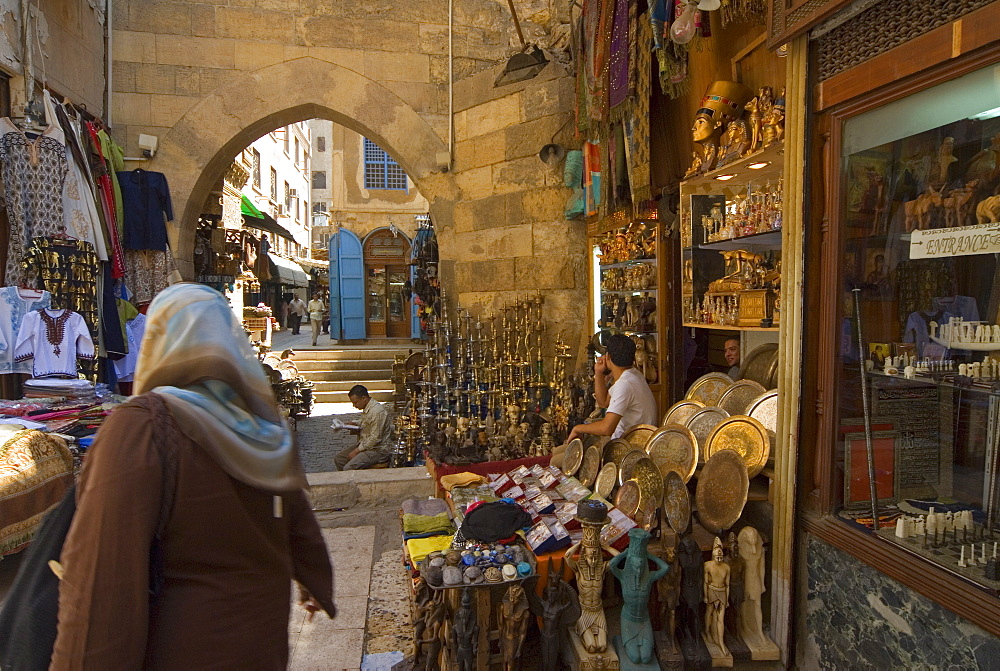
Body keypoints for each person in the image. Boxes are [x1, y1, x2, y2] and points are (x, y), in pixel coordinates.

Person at [50, 283, 335, 670]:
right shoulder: (264, 427)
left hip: (184, 647)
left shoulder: (142, 427)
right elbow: (297, 516)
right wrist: (315, 579)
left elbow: (102, 583)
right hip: (261, 641)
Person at [568, 334, 657, 442]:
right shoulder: (632, 374)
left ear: (608, 356)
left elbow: (606, 428)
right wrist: (599, 372)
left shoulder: (625, 384)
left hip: (627, 447)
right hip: (629, 441)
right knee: (561, 452)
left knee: (557, 457)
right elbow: (603, 402)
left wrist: (578, 428)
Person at [335, 385, 392, 470]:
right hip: (365, 444)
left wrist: (356, 451)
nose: (354, 405)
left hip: (378, 450)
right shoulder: (368, 408)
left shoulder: (377, 412)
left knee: (348, 468)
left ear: (364, 398)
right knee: (339, 459)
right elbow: (366, 423)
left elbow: (375, 438)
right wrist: (353, 424)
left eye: (355, 402)